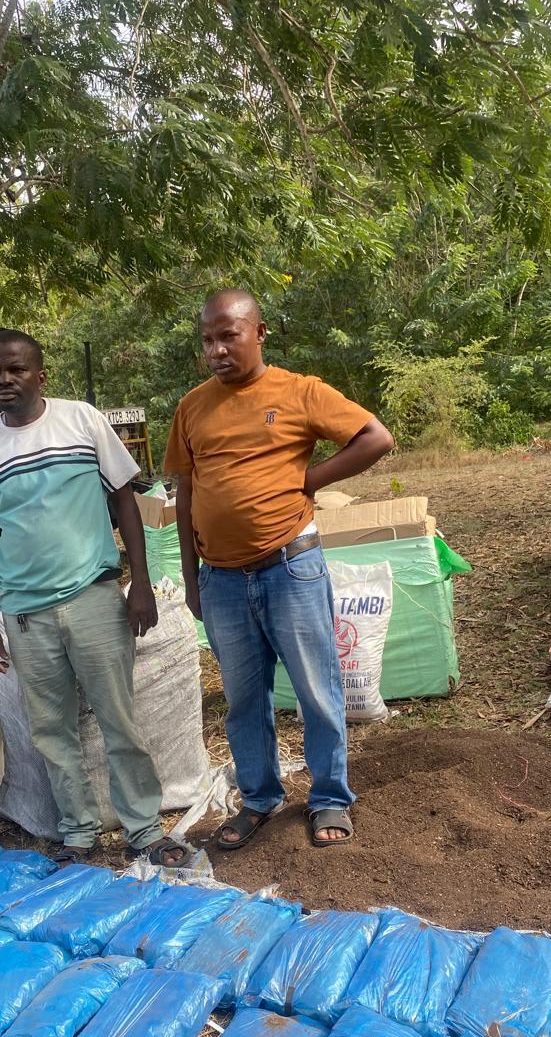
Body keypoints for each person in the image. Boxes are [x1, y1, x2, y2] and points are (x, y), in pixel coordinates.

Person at [164, 290, 394, 849]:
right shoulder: (193, 407)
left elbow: (375, 437)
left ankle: (330, 798)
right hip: (221, 581)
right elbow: (186, 493)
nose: (217, 349)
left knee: (317, 691)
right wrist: (192, 580)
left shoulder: (299, 392)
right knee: (244, 700)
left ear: (260, 332)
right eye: (207, 339)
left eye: (229, 335)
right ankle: (260, 800)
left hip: (290, 569)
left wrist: (309, 481)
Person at [0, 329, 188, 867]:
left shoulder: (82, 420)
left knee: (119, 722)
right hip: (26, 615)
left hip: (94, 599)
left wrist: (139, 582)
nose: (4, 380)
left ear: (40, 375)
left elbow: (125, 502)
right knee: (51, 731)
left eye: (15, 369)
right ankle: (78, 834)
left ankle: (143, 831)